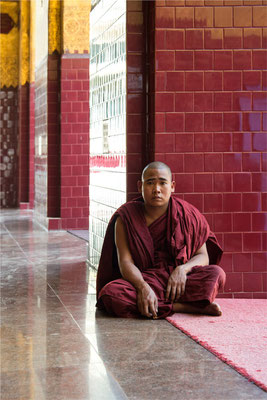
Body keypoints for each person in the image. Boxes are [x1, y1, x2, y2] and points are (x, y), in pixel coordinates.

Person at [96, 161, 226, 319]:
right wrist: (143, 287)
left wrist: (182, 270)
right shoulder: (125, 218)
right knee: (111, 294)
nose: (156, 189)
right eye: (150, 183)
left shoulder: (187, 214)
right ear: (140, 186)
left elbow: (203, 256)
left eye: (162, 183)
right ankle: (185, 306)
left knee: (216, 273)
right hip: (143, 278)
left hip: (178, 282)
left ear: (172, 186)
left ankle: (156, 304)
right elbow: (126, 262)